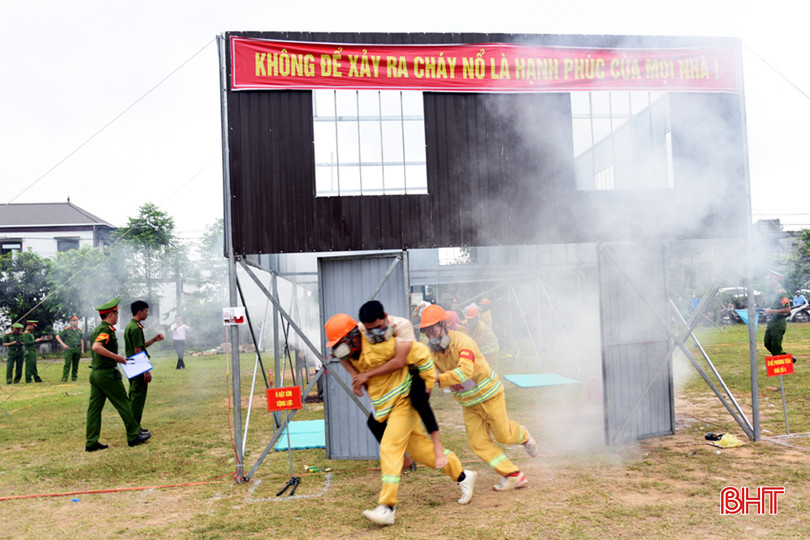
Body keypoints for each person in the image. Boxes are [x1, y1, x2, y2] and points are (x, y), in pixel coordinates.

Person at [324, 313, 476, 526]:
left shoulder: (380, 343)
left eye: (342, 344)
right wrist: (354, 376)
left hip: (405, 400)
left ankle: (387, 506)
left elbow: (420, 352)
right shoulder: (351, 353)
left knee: (390, 445)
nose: (342, 351)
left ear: (354, 336)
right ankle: (462, 475)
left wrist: (428, 386)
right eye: (338, 347)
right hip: (386, 408)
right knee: (421, 450)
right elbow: (341, 357)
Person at [419, 304, 538, 492]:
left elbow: (465, 371)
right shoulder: (432, 353)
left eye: (433, 330)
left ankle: (523, 435)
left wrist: (438, 379)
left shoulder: (463, 342)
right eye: (426, 332)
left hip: (489, 395)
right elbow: (425, 371)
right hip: (469, 403)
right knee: (478, 443)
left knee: (503, 435)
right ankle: (514, 475)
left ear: (443, 325)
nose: (431, 336)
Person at [353, 300, 447, 469]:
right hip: (392, 378)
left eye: (377, 327)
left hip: (413, 368)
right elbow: (341, 355)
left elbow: (399, 361)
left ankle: (437, 446)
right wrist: (356, 376)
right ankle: (404, 460)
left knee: (419, 399)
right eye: (368, 330)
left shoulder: (403, 325)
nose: (373, 333)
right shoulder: (360, 329)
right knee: (373, 423)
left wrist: (365, 375)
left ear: (386, 318)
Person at [85, 298, 151, 451]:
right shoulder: (106, 330)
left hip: (96, 374)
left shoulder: (98, 329)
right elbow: (96, 347)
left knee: (94, 409)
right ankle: (134, 434)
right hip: (107, 375)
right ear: (111, 314)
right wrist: (117, 357)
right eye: (116, 314)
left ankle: (91, 441)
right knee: (124, 403)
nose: (117, 317)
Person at [124, 300, 164, 428]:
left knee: (133, 396)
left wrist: (153, 340)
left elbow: (139, 346)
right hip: (137, 365)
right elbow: (137, 350)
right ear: (139, 311)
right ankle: (134, 427)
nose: (147, 314)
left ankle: (133, 425)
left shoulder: (131, 326)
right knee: (137, 399)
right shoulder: (136, 328)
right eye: (146, 311)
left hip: (132, 364)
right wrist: (145, 370)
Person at [763, 272, 794, 362]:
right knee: (767, 342)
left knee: (775, 345)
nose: (769, 281)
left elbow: (788, 309)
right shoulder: (773, 293)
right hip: (772, 321)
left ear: (776, 280)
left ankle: (779, 366)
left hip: (779, 322)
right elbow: (775, 307)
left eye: (771, 279)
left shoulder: (781, 293)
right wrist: (768, 310)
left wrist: (771, 311)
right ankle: (786, 357)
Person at [56, 316, 84, 382]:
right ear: (71, 322)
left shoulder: (80, 330)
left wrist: (82, 350)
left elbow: (82, 340)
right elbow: (57, 336)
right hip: (69, 349)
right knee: (67, 364)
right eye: (74, 321)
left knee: (76, 364)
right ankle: (64, 378)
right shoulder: (67, 329)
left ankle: (74, 378)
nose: (76, 322)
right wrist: (63, 345)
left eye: (77, 320)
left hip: (77, 348)